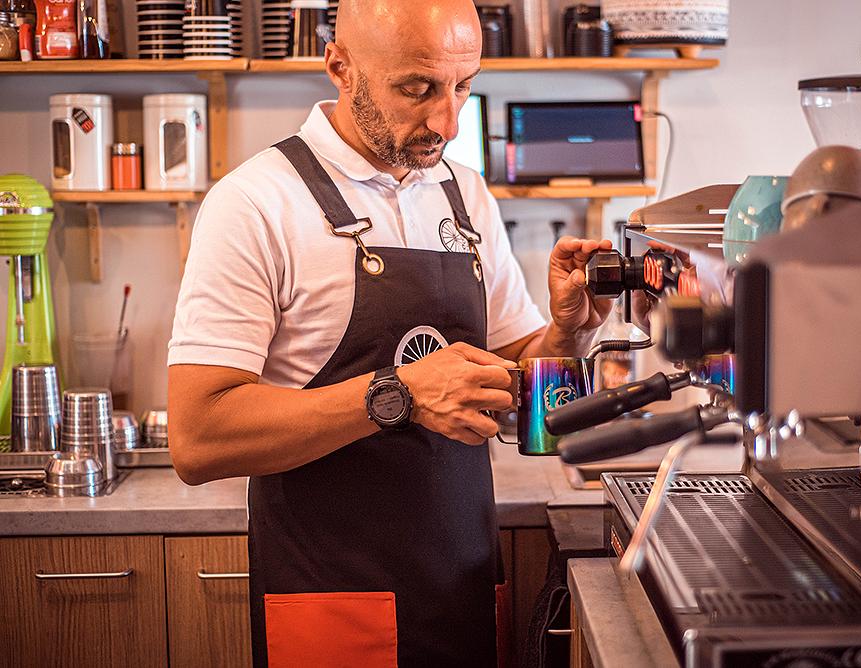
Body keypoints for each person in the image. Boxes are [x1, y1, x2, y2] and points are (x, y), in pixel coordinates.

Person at [167, 0, 613, 665]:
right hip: (329, 602)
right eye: (417, 88)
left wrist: (567, 334)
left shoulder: (465, 194)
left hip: (462, 586)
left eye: (463, 87)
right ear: (339, 66)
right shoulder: (256, 202)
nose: (448, 122)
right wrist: (399, 393)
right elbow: (197, 438)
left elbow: (518, 374)